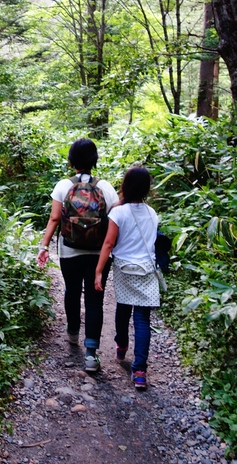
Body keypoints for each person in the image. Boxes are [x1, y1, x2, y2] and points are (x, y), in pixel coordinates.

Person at [37, 138, 119, 372]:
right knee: (94, 300)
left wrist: (44, 246)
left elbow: (54, 218)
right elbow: (113, 223)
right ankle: (91, 355)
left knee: (72, 291)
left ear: (71, 160)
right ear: (94, 160)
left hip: (70, 251)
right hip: (98, 253)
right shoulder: (106, 188)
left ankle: (73, 333)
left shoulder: (63, 186)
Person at [94, 165, 159, 390]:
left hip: (124, 269)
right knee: (142, 320)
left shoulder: (118, 212)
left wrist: (99, 271)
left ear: (126, 185)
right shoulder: (152, 213)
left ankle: (121, 345)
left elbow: (109, 243)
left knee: (123, 310)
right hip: (147, 271)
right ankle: (140, 371)